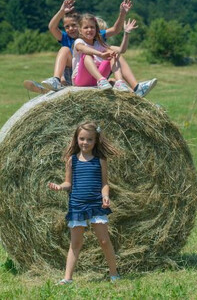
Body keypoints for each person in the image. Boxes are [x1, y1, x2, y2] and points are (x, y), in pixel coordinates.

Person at [48, 121, 120, 284]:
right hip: (77, 205)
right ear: (76, 139)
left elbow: (104, 183)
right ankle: (67, 278)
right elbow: (68, 183)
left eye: (89, 140)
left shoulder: (100, 160)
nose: (85, 143)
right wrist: (60, 187)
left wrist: (105, 196)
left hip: (96, 204)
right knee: (75, 243)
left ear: (95, 141)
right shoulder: (71, 160)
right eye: (82, 139)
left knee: (104, 240)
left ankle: (114, 274)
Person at [42, 0, 157, 97]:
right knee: (66, 50)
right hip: (77, 73)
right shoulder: (71, 39)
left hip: (95, 72)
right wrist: (62, 11)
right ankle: (57, 80)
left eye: (73, 25)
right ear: (82, 28)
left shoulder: (95, 36)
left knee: (113, 53)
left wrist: (124, 23)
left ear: (79, 26)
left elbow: (116, 33)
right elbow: (52, 27)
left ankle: (135, 87)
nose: (71, 29)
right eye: (67, 26)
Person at [72, 14, 137, 90]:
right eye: (86, 27)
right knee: (87, 55)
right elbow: (83, 48)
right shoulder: (79, 41)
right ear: (80, 30)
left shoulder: (99, 44)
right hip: (81, 80)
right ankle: (101, 80)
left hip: (95, 80)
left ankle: (119, 82)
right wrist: (100, 54)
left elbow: (121, 50)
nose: (89, 30)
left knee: (113, 55)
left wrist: (126, 34)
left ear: (96, 29)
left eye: (92, 27)